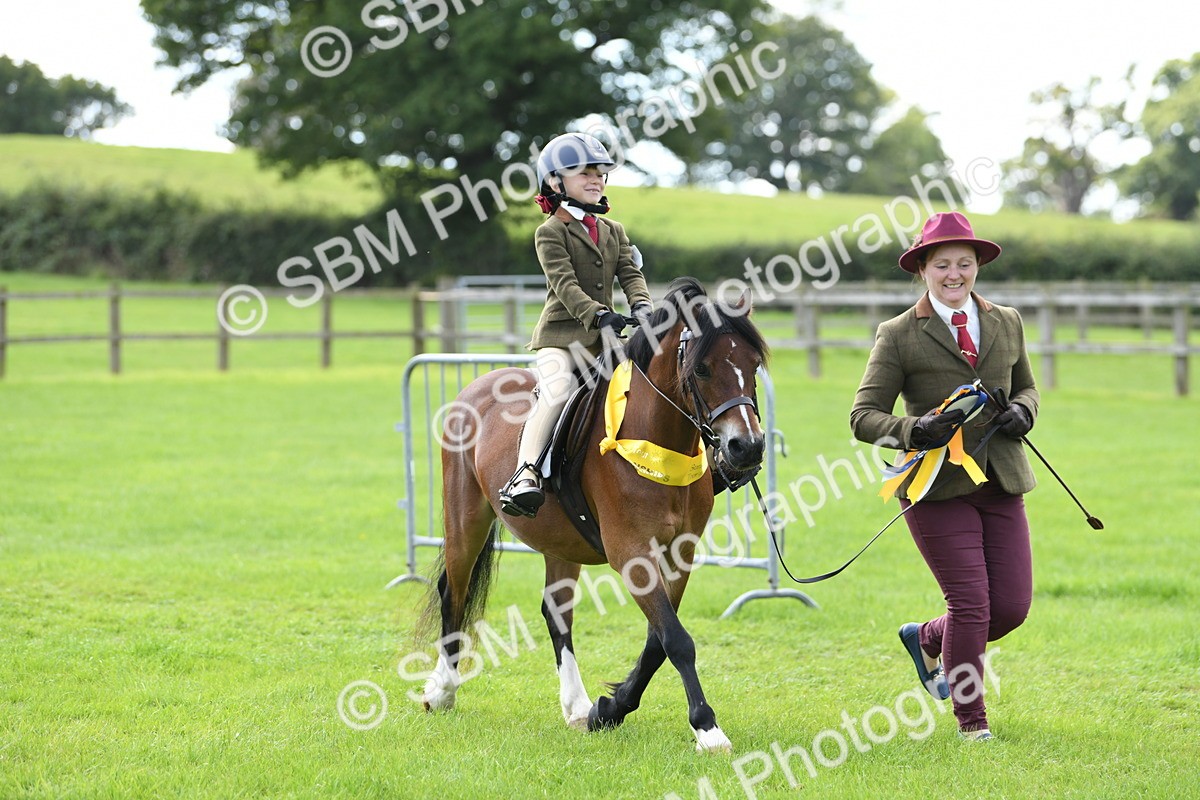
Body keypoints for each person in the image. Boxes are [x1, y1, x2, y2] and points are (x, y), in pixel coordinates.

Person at [850, 211, 1039, 742]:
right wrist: (918, 429)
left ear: (977, 265)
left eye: (964, 263)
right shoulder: (897, 335)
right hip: (936, 489)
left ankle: (927, 635)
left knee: (1009, 608)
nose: (954, 274)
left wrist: (1023, 413)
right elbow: (863, 417)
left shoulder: (1008, 320)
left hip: (1001, 480)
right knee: (972, 604)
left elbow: (1027, 388)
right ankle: (971, 723)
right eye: (942, 265)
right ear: (923, 271)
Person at [498, 132, 653, 518]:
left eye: (600, 173)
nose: (595, 180)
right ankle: (526, 473)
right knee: (556, 389)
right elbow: (564, 285)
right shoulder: (549, 232)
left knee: (653, 387)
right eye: (584, 173)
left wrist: (644, 306)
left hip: (605, 342)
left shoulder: (614, 230)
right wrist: (598, 315)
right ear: (554, 182)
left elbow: (630, 274)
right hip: (562, 339)